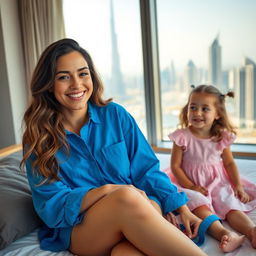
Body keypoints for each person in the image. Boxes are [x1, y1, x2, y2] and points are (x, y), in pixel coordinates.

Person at [20, 38, 207, 256]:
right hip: (83, 229)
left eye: (83, 73)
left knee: (124, 253)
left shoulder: (115, 115)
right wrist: (111, 190)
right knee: (126, 198)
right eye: (63, 77)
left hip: (138, 206)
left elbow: (146, 169)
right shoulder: (37, 138)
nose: (76, 84)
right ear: (49, 84)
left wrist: (182, 208)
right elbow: (53, 205)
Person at [166, 84, 256, 253]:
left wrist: (237, 185)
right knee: (198, 205)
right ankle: (224, 234)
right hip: (188, 181)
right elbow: (175, 167)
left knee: (229, 203)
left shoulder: (220, 136)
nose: (197, 113)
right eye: (193, 107)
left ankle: (251, 230)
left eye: (205, 109)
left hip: (216, 180)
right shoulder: (182, 137)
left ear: (217, 114)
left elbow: (229, 163)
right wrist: (191, 186)